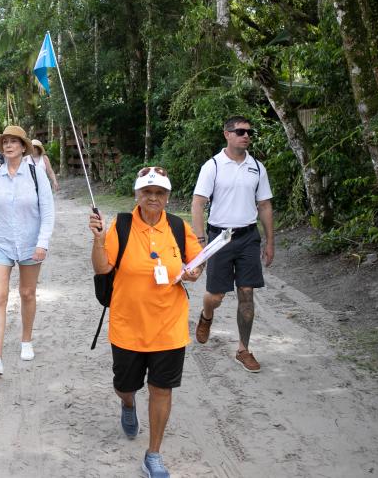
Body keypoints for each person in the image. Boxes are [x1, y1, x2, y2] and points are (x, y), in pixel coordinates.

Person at [88, 166, 203, 478]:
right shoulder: (122, 225)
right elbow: (102, 268)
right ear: (137, 195)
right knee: (125, 387)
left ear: (167, 196)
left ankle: (153, 454)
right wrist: (98, 239)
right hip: (128, 325)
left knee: (161, 389)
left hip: (169, 326)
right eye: (147, 192)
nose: (153, 197)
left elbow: (196, 263)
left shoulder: (178, 227)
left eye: (159, 192)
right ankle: (127, 404)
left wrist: (194, 271)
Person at [191, 115, 274, 373]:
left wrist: (270, 241)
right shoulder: (213, 166)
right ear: (227, 134)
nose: (246, 135)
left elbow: (264, 205)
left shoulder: (257, 167)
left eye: (249, 132)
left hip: (248, 237)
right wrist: (201, 241)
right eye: (240, 131)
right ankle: (207, 315)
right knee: (215, 296)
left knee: (247, 294)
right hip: (220, 237)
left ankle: (243, 349)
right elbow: (198, 203)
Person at [0, 125, 54, 376]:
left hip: (30, 243)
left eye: (13, 141)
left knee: (27, 293)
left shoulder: (36, 174)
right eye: (5, 141)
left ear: (23, 147)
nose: (8, 145)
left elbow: (48, 212)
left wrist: (42, 243)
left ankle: (26, 339)